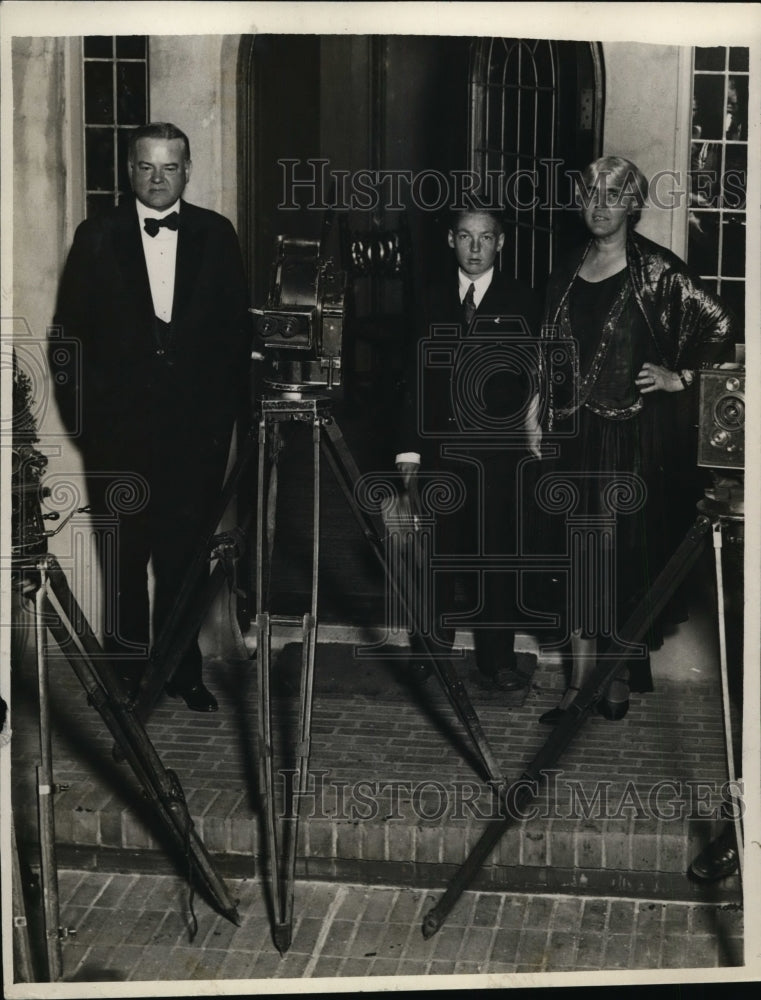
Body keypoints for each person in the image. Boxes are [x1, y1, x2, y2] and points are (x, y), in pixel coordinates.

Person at [52, 122, 252, 712]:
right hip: (118, 439)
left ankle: (179, 670)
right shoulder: (96, 235)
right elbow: (67, 340)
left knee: (183, 562)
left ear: (187, 171)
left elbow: (236, 338)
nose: (158, 178)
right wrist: (87, 427)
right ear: (129, 171)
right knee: (124, 560)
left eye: (170, 167)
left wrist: (226, 427)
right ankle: (125, 676)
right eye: (146, 167)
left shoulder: (217, 235)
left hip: (196, 441)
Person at [537, 155, 736, 724]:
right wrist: (537, 407)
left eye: (613, 194)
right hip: (571, 436)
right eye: (591, 192)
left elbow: (720, 326)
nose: (599, 203)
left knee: (618, 562)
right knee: (576, 558)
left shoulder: (658, 271)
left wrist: (681, 377)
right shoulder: (567, 267)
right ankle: (577, 687)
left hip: (628, 441)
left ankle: (615, 675)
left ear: (632, 205)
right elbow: (549, 348)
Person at [395, 208, 541, 693]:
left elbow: (535, 377)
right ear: (450, 241)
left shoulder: (523, 299)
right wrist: (409, 453)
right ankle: (432, 651)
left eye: (485, 238)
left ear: (500, 243)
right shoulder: (429, 297)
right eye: (465, 237)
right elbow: (412, 380)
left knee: (496, 557)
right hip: (439, 452)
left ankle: (497, 660)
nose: (474, 248)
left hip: (498, 457)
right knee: (434, 556)